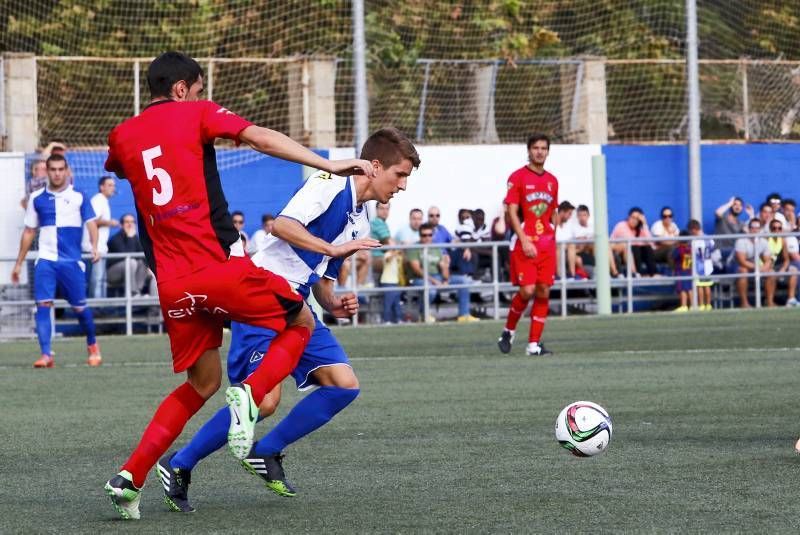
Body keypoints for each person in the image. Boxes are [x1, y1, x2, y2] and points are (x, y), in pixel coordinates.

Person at [101, 51, 377, 520]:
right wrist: (328, 162)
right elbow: (262, 139)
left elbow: (132, 179)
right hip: (215, 268)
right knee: (302, 319)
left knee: (201, 383)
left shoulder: (121, 136)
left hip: (171, 284)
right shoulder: (197, 112)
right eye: (200, 88)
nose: (203, 96)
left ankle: (130, 478)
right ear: (184, 89)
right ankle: (250, 396)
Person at [158, 128, 418, 511]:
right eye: (400, 175)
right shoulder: (329, 183)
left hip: (298, 305)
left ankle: (268, 451)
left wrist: (336, 305)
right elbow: (281, 225)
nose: (403, 186)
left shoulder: (360, 220)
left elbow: (323, 284)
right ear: (374, 166)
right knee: (262, 402)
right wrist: (332, 247)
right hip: (260, 295)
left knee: (343, 385)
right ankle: (178, 464)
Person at [11, 154, 102, 368]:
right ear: (47, 171)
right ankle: (46, 354)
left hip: (71, 262)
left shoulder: (79, 196)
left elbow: (91, 223)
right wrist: (18, 263)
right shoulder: (36, 198)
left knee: (80, 308)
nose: (57, 173)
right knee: (43, 304)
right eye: (53, 169)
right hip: (46, 260)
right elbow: (29, 231)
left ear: (67, 171)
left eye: (61, 169)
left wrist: (94, 246)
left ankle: (92, 345)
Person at [497, 133, 559, 356]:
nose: (540, 151)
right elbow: (512, 210)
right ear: (529, 150)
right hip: (526, 243)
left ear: (548, 151)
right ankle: (508, 330)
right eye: (536, 148)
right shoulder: (518, 177)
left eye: (543, 148)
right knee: (527, 290)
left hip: (546, 246)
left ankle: (534, 344)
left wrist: (554, 237)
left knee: (543, 291)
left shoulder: (552, 181)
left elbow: (553, 212)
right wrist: (523, 239)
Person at [82, 176, 120, 298]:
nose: (112, 188)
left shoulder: (102, 200)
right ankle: (96, 308)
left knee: (100, 280)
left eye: (113, 185)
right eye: (109, 185)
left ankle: (100, 307)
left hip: (99, 248)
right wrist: (110, 222)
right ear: (101, 187)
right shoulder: (98, 200)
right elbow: (92, 221)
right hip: (94, 248)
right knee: (97, 280)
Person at [407, 223, 449, 322]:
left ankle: (464, 315)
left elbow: (444, 267)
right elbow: (417, 270)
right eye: (424, 235)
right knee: (431, 290)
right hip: (419, 279)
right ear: (420, 235)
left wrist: (446, 279)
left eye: (429, 235)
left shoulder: (436, 248)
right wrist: (434, 281)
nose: (427, 238)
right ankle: (424, 315)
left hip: (437, 277)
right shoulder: (414, 248)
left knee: (463, 281)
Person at [106, 214, 155, 296]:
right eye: (127, 222)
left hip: (131, 271)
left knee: (141, 263)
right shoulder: (115, 239)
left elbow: (143, 256)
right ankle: (132, 293)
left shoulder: (135, 238)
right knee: (131, 262)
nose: (130, 224)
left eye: (132, 222)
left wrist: (149, 268)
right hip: (113, 274)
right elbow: (127, 255)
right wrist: (130, 238)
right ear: (121, 225)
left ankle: (137, 292)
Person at [732, 218, 771, 308]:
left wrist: (765, 267)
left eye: (757, 227)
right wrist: (757, 268)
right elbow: (741, 261)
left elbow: (768, 260)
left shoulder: (764, 242)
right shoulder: (741, 241)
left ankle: (769, 302)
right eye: (753, 227)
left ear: (760, 229)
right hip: (735, 265)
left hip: (753, 265)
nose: (755, 230)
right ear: (749, 229)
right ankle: (744, 303)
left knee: (771, 272)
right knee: (743, 271)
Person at [610, 207, 658, 277]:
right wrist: (642, 242)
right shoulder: (621, 225)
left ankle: (653, 274)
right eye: (633, 217)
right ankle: (637, 274)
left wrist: (644, 224)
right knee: (635, 247)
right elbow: (630, 242)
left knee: (647, 248)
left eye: (637, 219)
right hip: (621, 254)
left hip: (634, 252)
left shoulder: (640, 228)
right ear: (628, 217)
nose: (634, 220)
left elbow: (651, 243)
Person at [765, 219, 797, 307]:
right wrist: (771, 269)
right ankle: (769, 302)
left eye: (779, 228)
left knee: (794, 270)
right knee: (771, 274)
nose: (777, 230)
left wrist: (782, 270)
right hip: (765, 267)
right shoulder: (766, 240)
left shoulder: (783, 241)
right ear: (770, 229)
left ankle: (791, 299)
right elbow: (765, 261)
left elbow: (786, 260)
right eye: (774, 228)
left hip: (777, 266)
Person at [689, 219, 716, 311]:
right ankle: (708, 304)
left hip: (699, 265)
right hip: (708, 265)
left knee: (700, 286)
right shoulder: (709, 239)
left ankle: (702, 305)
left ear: (694, 229)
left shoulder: (694, 241)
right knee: (707, 285)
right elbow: (713, 249)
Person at [672, 231, 693, 312]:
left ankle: (684, 305)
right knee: (690, 288)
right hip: (689, 271)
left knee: (682, 289)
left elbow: (674, 256)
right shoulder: (690, 248)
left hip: (680, 271)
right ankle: (692, 305)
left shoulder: (679, 249)